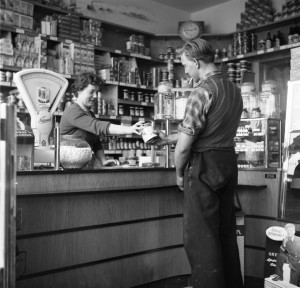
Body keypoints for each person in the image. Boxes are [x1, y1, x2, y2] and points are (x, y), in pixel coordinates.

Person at [155, 38, 244, 288]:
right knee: (224, 233)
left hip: (203, 167)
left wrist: (179, 175)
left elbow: (184, 148)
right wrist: (168, 138)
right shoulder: (234, 90)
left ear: (196, 62)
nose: (185, 70)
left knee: (201, 238)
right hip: (227, 163)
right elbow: (209, 131)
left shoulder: (201, 91)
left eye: (185, 65)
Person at [60, 72, 143, 167]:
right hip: (70, 169)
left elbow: (96, 142)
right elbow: (98, 126)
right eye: (91, 92)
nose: (95, 96)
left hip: (83, 167)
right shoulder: (73, 111)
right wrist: (128, 129)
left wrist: (103, 160)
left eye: (97, 92)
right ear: (79, 91)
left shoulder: (89, 114)